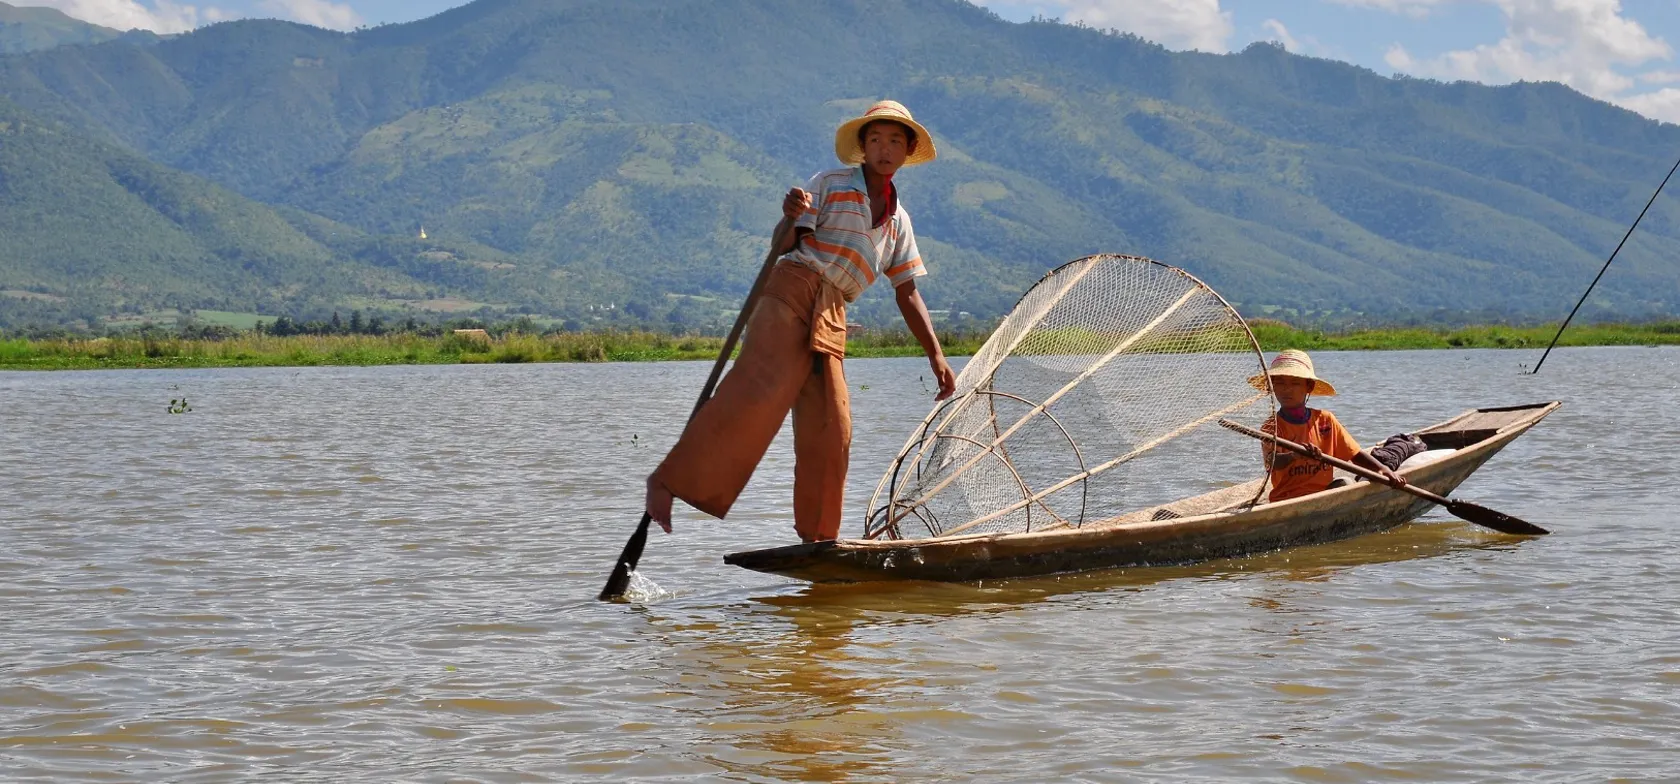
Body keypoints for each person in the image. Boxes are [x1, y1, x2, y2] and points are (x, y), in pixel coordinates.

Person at [644, 100, 957, 542]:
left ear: (907, 152)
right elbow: (785, 242)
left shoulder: (899, 223)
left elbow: (907, 292)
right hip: (792, 290)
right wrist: (789, 215)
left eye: (893, 141)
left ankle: (819, 538)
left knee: (834, 427)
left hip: (832, 312)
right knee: (757, 390)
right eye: (875, 139)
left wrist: (937, 357)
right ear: (862, 148)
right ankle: (667, 481)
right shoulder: (828, 184)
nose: (884, 149)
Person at [1252, 349, 1406, 503]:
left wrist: (1382, 469)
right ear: (1272, 387)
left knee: (1346, 483)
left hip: (1323, 495)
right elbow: (1271, 463)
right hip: (1286, 500)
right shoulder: (1271, 426)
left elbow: (1355, 454)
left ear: (1309, 387)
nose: (1287, 389)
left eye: (1295, 383)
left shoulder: (1325, 420)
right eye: (1280, 383)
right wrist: (1295, 455)